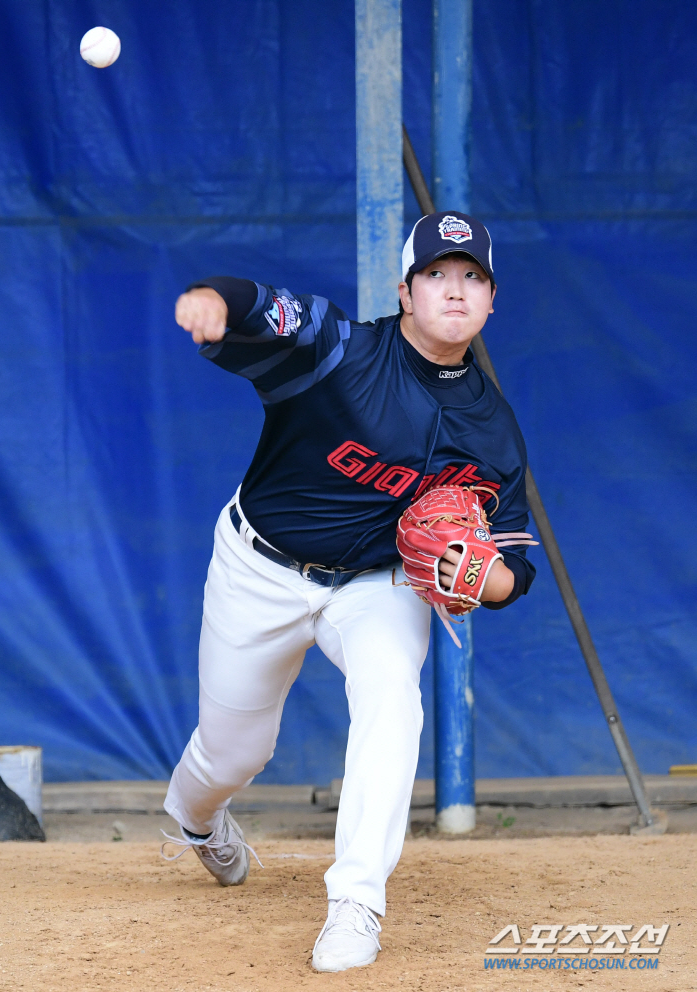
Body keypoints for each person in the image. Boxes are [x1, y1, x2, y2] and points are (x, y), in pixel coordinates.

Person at [163, 211, 535, 973]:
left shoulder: (493, 433)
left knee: (393, 693)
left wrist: (487, 577)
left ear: (492, 302)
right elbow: (263, 308)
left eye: (473, 278)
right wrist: (214, 301)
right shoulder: (341, 352)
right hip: (259, 568)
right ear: (405, 292)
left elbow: (513, 568)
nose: (455, 290)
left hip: (378, 584)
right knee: (234, 752)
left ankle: (356, 904)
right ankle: (197, 821)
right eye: (437, 274)